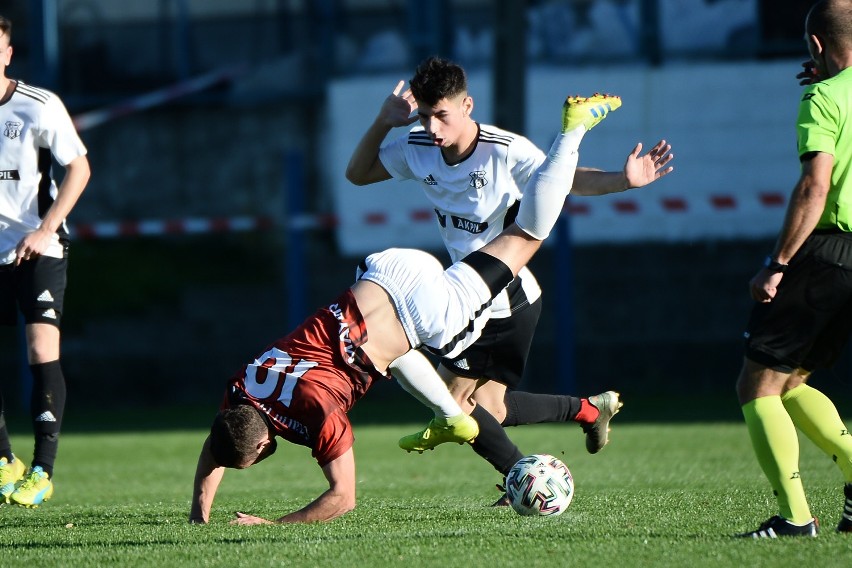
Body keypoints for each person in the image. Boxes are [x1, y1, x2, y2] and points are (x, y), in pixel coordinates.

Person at [189, 92, 620, 524]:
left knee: (527, 233)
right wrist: (198, 515)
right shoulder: (242, 386)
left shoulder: (315, 409)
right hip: (388, 271)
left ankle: (573, 131)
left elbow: (342, 498)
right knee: (456, 389)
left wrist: (271, 526)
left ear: (264, 448)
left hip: (432, 311)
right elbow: (218, 441)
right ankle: (528, 415)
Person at [345, 56, 674, 503]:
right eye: (425, 115)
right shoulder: (417, 145)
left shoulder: (504, 149)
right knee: (491, 409)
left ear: (467, 106)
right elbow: (357, 174)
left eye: (441, 114)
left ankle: (520, 476)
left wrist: (623, 180)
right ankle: (588, 410)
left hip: (501, 301)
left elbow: (563, 180)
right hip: (481, 298)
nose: (433, 127)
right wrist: (384, 122)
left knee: (453, 404)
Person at [736, 0, 852, 539]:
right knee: (794, 380)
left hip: (828, 255)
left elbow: (815, 187)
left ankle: (795, 518)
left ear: (817, 45)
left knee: (757, 384)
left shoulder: (823, 97)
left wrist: (777, 263)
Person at [0, 15, 90, 508]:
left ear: (8, 54)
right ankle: (2, 460)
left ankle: (41, 470)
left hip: (40, 248)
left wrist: (45, 228)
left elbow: (79, 167)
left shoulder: (38, 106)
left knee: (40, 351)